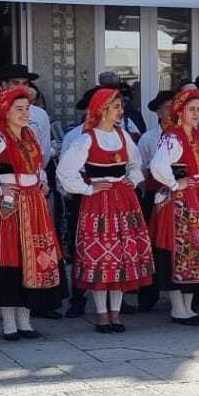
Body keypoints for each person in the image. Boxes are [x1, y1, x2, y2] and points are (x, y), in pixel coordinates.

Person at [0, 83, 63, 340]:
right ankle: (9, 322)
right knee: (8, 256)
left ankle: (25, 321)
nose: (25, 113)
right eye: (19, 108)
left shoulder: (29, 135)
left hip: (33, 203)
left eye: (27, 108)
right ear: (6, 111)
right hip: (8, 203)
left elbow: (36, 165)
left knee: (30, 260)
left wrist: (41, 180)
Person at [57, 88, 155, 333]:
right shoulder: (86, 139)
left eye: (120, 106)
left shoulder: (123, 135)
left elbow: (136, 164)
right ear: (102, 109)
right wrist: (87, 188)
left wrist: (133, 178)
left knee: (121, 254)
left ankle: (116, 313)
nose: (121, 111)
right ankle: (102, 314)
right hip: (98, 203)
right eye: (116, 107)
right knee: (101, 256)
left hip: (123, 200)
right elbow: (65, 171)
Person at [149, 86, 199, 325]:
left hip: (198, 198)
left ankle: (188, 308)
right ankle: (177, 308)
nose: (196, 114)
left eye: (198, 110)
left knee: (195, 251)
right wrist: (175, 184)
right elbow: (157, 165)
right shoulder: (173, 137)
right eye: (191, 109)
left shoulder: (197, 136)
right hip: (180, 203)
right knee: (178, 250)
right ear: (180, 112)